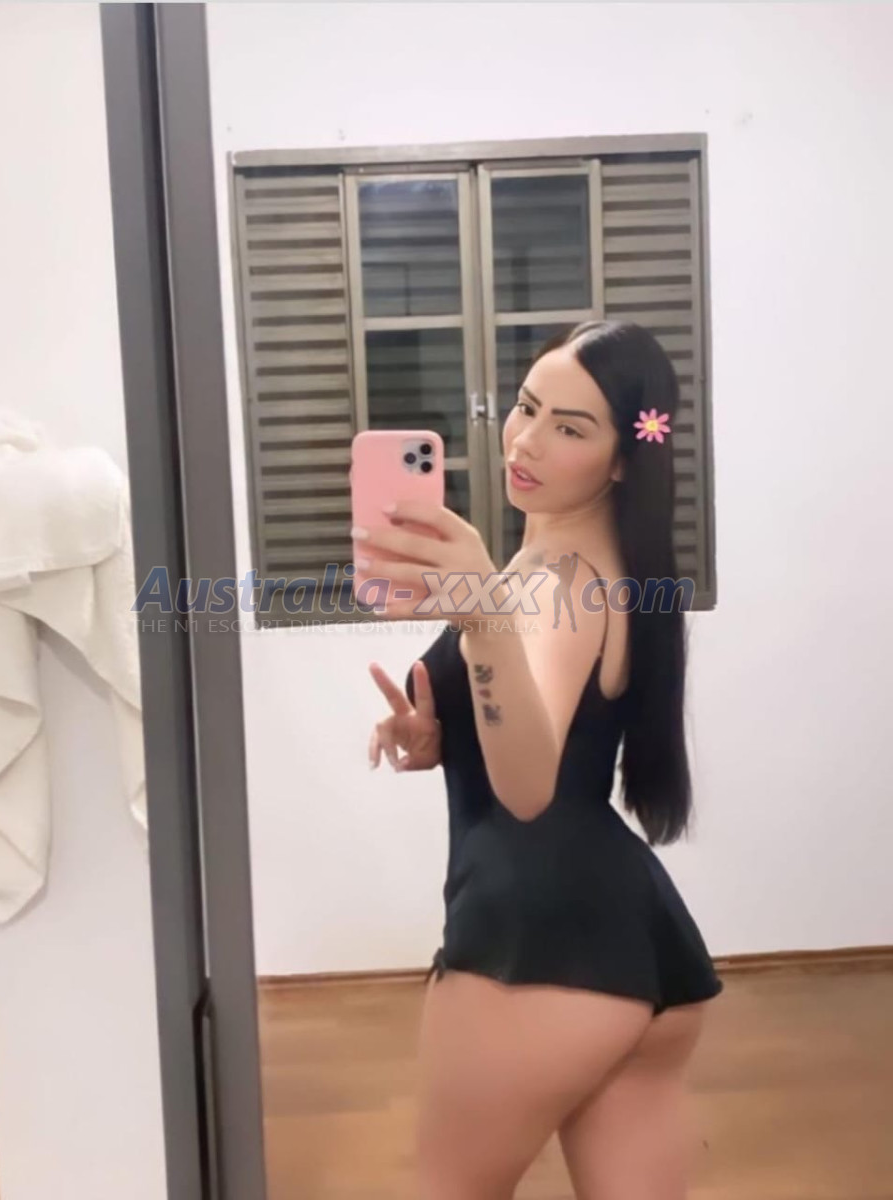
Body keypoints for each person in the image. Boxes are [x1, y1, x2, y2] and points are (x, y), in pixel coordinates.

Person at [357, 321, 724, 1199]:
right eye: (527, 408)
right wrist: (441, 742)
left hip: (536, 943)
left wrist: (481, 613)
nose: (525, 441)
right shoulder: (598, 565)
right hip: (638, 940)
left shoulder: (553, 581)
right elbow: (540, 740)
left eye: (570, 427)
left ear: (624, 458)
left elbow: (528, 791)